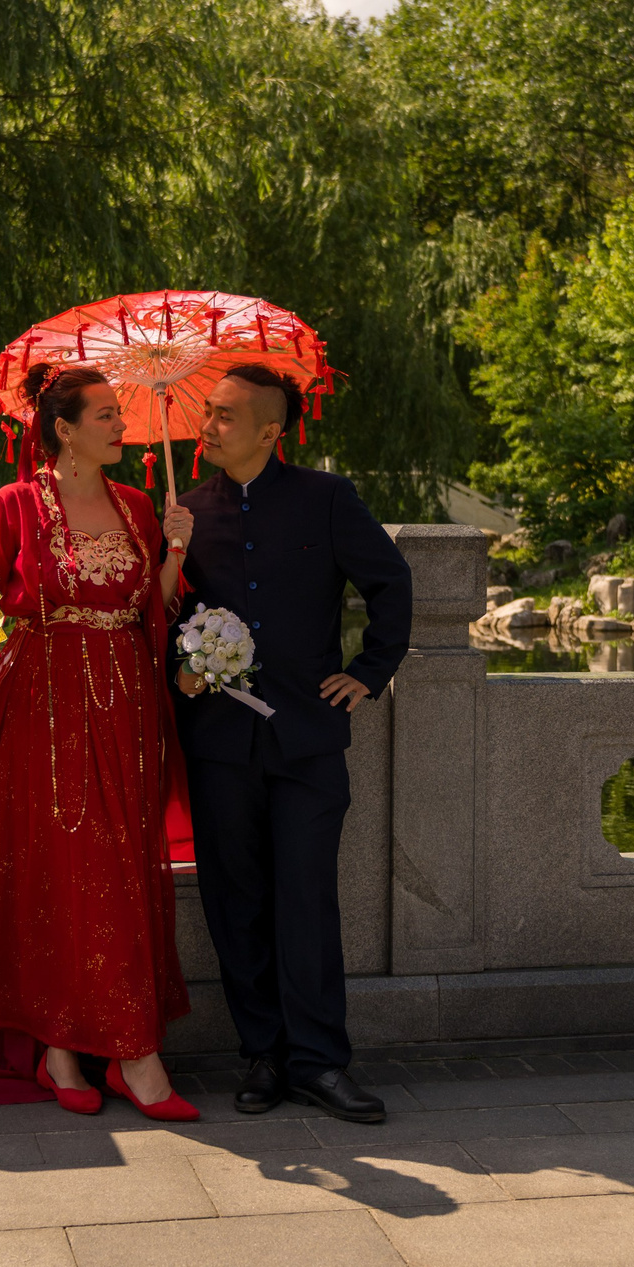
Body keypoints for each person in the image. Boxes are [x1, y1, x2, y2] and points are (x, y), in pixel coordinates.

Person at [0, 364, 202, 1118]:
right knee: (56, 872)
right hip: (42, 710)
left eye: (121, 412)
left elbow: (149, 609)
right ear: (63, 426)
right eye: (107, 415)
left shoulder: (138, 506)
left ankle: (128, 1052)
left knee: (120, 866)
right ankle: (68, 1052)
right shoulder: (17, 504)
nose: (123, 427)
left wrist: (175, 552)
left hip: (124, 704)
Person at [173, 365, 410, 1124]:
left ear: (272, 430)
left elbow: (391, 584)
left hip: (306, 740)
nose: (208, 425)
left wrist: (367, 671)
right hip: (217, 740)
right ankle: (263, 1054)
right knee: (234, 899)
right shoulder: (186, 511)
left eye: (226, 416)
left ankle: (319, 1061)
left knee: (306, 898)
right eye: (206, 413)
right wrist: (170, 560)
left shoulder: (327, 499)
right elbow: (157, 618)